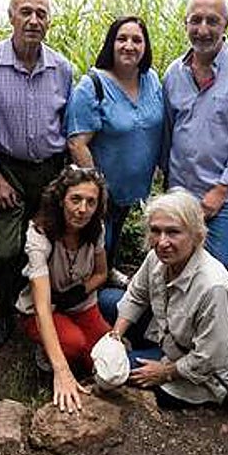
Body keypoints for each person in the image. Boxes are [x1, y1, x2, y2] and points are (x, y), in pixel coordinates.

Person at [0, 0, 74, 347]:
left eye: (41, 14)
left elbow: (67, 125)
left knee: (50, 241)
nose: (33, 20)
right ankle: (5, 307)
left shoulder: (61, 68)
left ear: (49, 21)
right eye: (26, 12)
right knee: (7, 249)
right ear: (11, 17)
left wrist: (66, 177)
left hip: (51, 169)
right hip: (9, 170)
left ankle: (43, 307)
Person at [105, 190, 228, 408]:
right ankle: (132, 346)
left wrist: (164, 373)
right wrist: (115, 337)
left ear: (196, 235)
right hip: (168, 337)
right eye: (155, 231)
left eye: (173, 232)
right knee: (106, 301)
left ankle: (143, 358)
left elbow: (208, 358)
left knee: (112, 371)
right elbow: (136, 295)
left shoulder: (214, 287)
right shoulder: (157, 258)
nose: (162, 242)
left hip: (201, 376)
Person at [161, 0, 228, 268]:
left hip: (222, 199)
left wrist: (221, 190)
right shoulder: (174, 73)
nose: (203, 30)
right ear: (185, 24)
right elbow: (167, 133)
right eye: (196, 20)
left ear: (226, 25)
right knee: (173, 266)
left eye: (212, 21)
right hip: (179, 193)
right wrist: (167, 183)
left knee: (214, 273)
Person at [67, 16, 165, 283]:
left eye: (137, 40)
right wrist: (96, 190)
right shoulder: (93, 85)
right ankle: (85, 292)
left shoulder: (151, 80)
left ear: (145, 46)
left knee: (112, 238)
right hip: (102, 191)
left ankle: (106, 273)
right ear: (111, 43)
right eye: (122, 39)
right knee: (97, 240)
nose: (129, 46)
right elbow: (77, 142)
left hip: (132, 188)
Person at [16, 166, 112, 413]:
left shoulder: (96, 229)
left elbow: (102, 273)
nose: (82, 209)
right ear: (61, 200)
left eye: (91, 202)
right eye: (75, 199)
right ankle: (48, 356)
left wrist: (80, 291)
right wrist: (62, 371)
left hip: (81, 303)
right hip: (44, 308)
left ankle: (70, 351)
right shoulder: (40, 234)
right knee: (74, 343)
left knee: (103, 357)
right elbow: (41, 309)